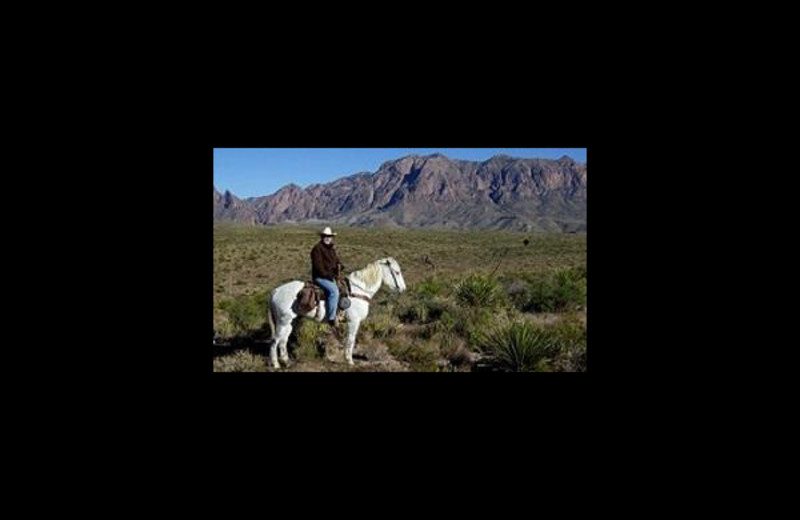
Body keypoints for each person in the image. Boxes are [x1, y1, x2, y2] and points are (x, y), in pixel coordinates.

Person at [310, 227, 345, 327]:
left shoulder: (331, 249)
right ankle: (331, 318)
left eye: (329, 236)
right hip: (320, 277)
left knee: (344, 288)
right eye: (325, 236)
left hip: (330, 276)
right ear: (322, 237)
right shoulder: (317, 249)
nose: (328, 238)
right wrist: (329, 275)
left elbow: (336, 261)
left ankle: (340, 313)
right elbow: (318, 267)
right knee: (334, 291)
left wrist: (340, 265)